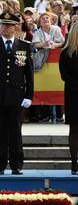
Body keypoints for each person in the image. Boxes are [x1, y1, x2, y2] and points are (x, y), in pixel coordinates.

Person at [0, 13, 34, 175]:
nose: (6, 28)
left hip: (17, 96)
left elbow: (29, 73)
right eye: (3, 25)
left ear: (15, 27)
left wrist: (28, 96)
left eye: (9, 25)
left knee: (15, 131)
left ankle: (17, 165)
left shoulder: (24, 46)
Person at [59, 22, 78, 175]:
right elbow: (64, 75)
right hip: (73, 95)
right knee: (74, 129)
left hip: (73, 92)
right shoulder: (65, 53)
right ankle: (74, 163)